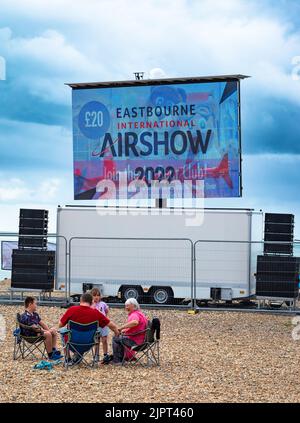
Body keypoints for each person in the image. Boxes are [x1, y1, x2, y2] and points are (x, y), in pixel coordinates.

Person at [59, 292, 119, 364]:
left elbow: (60, 325)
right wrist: (116, 332)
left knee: (63, 331)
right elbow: (112, 326)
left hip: (71, 342)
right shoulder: (96, 313)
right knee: (96, 331)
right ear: (91, 302)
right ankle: (78, 355)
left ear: (81, 300)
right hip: (89, 344)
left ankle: (68, 359)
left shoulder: (72, 309)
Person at [111, 298, 148, 365]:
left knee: (115, 338)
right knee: (120, 337)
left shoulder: (134, 315)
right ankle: (124, 358)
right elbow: (137, 327)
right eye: (125, 306)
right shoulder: (140, 313)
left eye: (128, 306)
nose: (126, 307)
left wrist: (122, 328)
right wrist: (125, 331)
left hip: (136, 342)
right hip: (142, 340)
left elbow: (135, 322)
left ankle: (117, 361)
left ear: (134, 306)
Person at [90, 287, 110, 364]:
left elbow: (107, 311)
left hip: (103, 325)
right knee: (96, 341)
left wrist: (106, 318)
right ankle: (96, 355)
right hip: (96, 325)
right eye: (94, 295)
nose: (96, 297)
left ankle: (105, 355)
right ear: (91, 296)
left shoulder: (103, 304)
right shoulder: (91, 305)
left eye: (98, 295)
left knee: (104, 340)